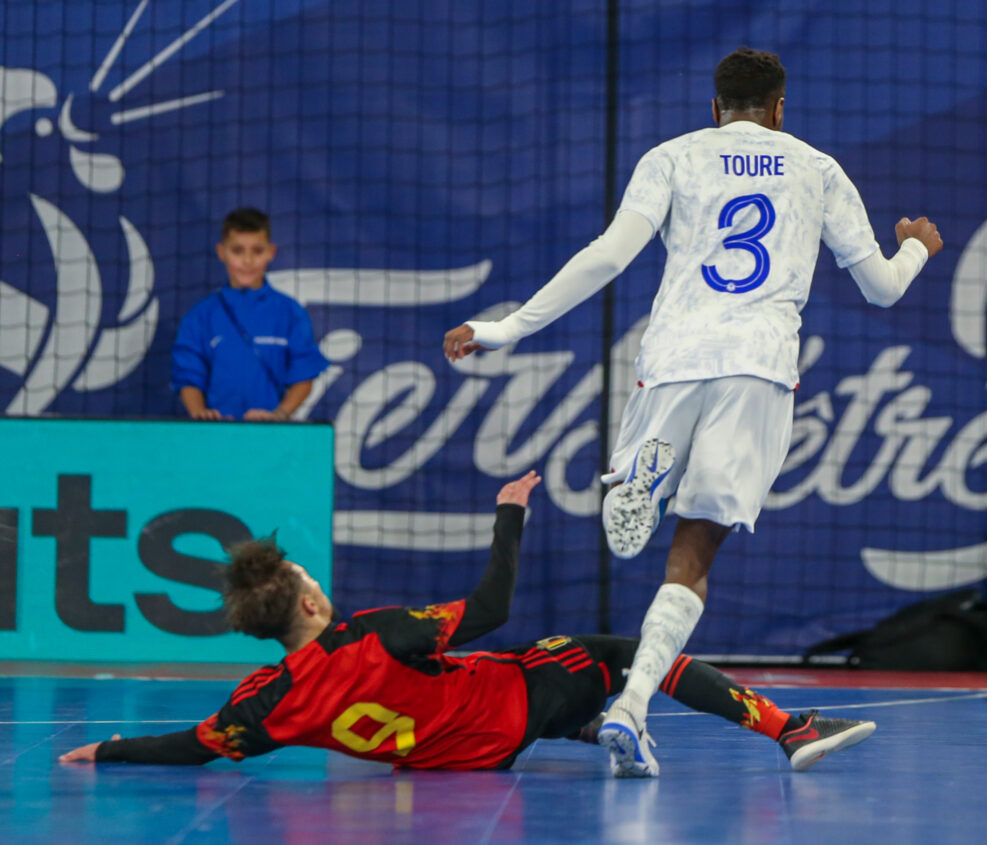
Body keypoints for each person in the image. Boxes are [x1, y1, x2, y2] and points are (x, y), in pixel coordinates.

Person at [443, 47, 940, 775]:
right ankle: (631, 704)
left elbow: (607, 256)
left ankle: (634, 495)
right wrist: (916, 249)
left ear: (715, 109)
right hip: (758, 367)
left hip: (673, 357)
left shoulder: (672, 156)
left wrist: (507, 327)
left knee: (645, 522)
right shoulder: (817, 167)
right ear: (779, 108)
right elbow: (883, 289)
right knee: (696, 550)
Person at [59, 471, 875, 776]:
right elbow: (490, 611)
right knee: (624, 651)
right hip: (510, 711)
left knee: (523, 679)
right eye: (310, 576)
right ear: (307, 604)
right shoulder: (372, 633)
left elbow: (195, 746)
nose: (317, 581)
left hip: (451, 762)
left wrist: (110, 749)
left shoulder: (264, 700)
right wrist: (509, 514)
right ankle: (787, 728)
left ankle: (594, 729)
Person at [171, 207, 328, 421]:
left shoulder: (290, 312)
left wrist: (279, 415)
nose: (247, 261)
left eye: (257, 251)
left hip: (271, 437)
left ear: (271, 252)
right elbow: (188, 375)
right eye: (237, 250)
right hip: (216, 436)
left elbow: (304, 375)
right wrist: (200, 414)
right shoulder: (201, 316)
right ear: (221, 252)